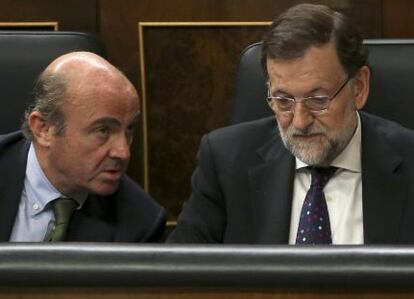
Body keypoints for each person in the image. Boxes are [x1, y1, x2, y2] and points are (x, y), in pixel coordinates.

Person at [167, 3, 414, 244]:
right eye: (283, 100)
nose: (300, 121)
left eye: (318, 100)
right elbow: (177, 277)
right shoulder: (225, 163)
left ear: (359, 88)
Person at [0, 51, 166, 242]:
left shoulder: (140, 222)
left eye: (128, 130)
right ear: (44, 129)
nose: (123, 152)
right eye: (103, 130)